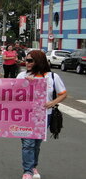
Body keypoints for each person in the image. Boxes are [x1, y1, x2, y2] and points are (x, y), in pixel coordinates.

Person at [17, 50, 67, 179]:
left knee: (36, 144)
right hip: (25, 115)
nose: (27, 63)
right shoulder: (22, 76)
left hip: (44, 116)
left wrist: (52, 103)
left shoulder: (52, 77)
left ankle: (33, 166)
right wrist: (26, 84)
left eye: (30, 61)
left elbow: (63, 94)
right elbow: (13, 94)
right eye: (26, 60)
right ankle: (27, 171)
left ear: (39, 61)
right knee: (28, 144)